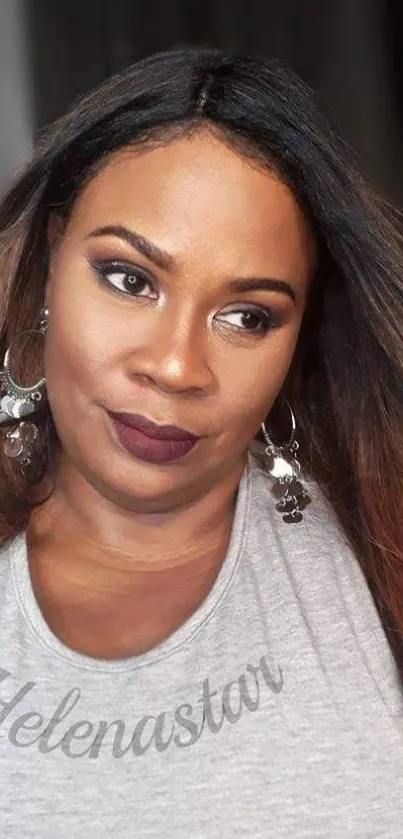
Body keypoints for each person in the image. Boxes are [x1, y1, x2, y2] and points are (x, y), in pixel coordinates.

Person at [0, 44, 402, 838]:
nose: (176, 366)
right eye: (129, 279)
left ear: (296, 341)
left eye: (247, 315)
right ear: (48, 264)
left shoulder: (380, 556)